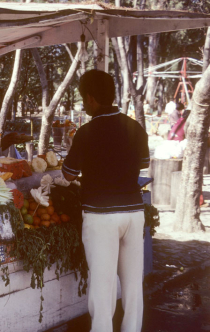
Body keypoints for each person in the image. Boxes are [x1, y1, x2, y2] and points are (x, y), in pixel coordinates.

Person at [62, 70, 149, 332]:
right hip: (133, 213)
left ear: (90, 98)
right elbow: (143, 165)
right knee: (133, 286)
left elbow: (68, 174)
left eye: (82, 99)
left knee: (102, 287)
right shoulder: (135, 126)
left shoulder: (85, 132)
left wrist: (76, 149)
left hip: (101, 217)